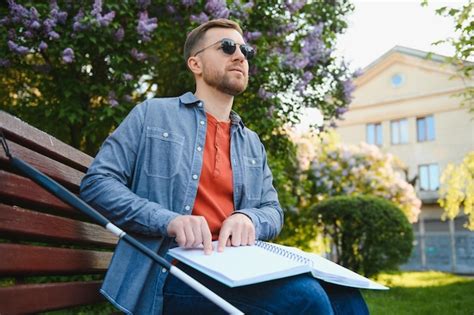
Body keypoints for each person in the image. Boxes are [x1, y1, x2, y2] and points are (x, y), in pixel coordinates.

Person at [80, 18, 369, 315]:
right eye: (227, 47)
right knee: (304, 299)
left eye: (245, 50)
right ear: (196, 64)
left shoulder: (251, 142)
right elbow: (97, 182)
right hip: (171, 271)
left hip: (238, 267)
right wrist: (168, 220)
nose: (240, 55)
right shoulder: (152, 115)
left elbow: (272, 210)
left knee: (347, 298)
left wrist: (249, 219)